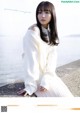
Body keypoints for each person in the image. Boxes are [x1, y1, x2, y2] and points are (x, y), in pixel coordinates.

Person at [17, 1, 73, 97]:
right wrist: (31, 86)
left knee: (69, 98)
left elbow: (52, 60)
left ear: (52, 15)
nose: (42, 16)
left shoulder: (52, 34)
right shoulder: (32, 32)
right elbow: (30, 60)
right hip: (36, 79)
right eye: (39, 12)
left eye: (46, 12)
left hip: (48, 77)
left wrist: (47, 79)